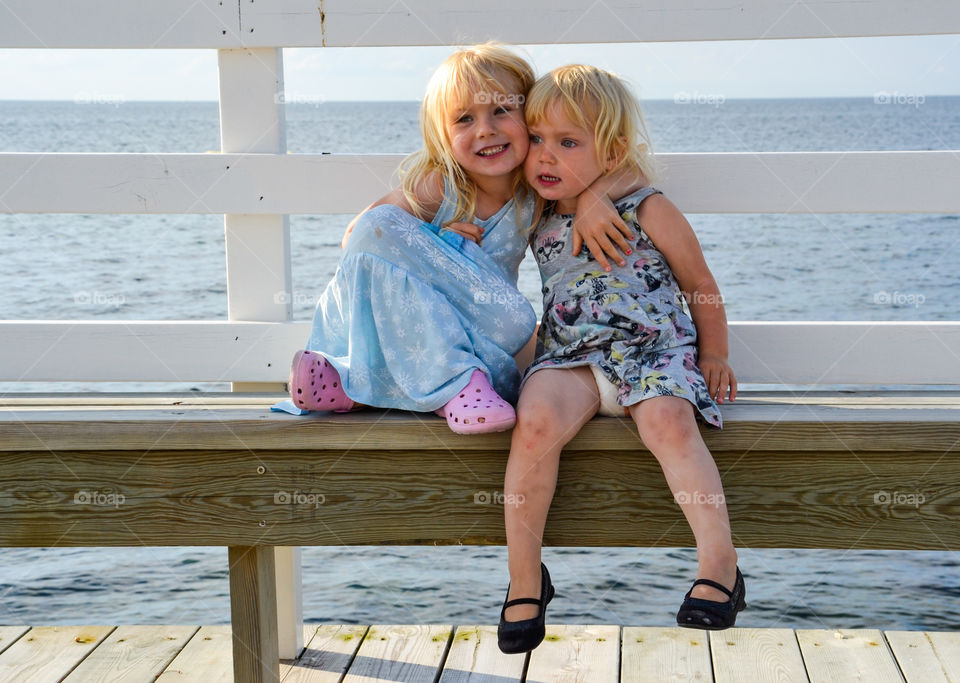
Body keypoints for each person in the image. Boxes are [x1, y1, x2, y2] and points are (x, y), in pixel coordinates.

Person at [498, 64, 743, 654]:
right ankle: (525, 577)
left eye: (568, 142)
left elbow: (700, 282)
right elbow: (474, 196)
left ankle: (720, 565)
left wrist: (714, 352)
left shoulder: (646, 206)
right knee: (532, 423)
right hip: (573, 357)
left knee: (668, 422)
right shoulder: (537, 211)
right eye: (537, 140)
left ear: (609, 151)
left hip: (651, 351)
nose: (545, 156)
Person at [289, 45, 639, 434]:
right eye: (465, 119)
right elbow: (362, 235)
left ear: (530, 118)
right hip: (423, 342)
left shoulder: (537, 187)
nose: (485, 129)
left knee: (516, 321)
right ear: (443, 134)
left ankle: (374, 386)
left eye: (502, 111)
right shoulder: (441, 187)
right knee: (383, 222)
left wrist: (594, 198)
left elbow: (634, 169)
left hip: (492, 338)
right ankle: (427, 385)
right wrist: (430, 240)